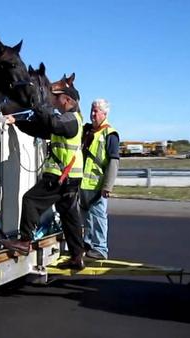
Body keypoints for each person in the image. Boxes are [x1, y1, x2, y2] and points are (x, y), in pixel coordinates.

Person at [0, 83, 86, 270]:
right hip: (70, 177)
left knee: (30, 200)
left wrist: (37, 104)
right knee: (69, 216)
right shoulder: (70, 120)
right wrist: (18, 122)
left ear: (68, 100)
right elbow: (41, 129)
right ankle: (77, 256)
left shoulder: (70, 119)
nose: (54, 100)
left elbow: (52, 123)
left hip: (60, 176)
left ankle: (24, 242)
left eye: (57, 97)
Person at [79, 99, 119, 260]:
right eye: (92, 110)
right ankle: (88, 244)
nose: (93, 114)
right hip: (83, 183)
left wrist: (107, 186)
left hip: (97, 184)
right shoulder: (87, 130)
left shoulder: (110, 134)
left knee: (99, 216)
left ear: (105, 113)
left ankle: (101, 248)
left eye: (96, 111)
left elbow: (113, 162)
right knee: (86, 216)